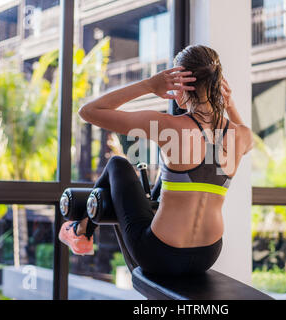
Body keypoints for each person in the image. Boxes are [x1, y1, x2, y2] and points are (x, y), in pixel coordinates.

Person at [58, 45, 254, 275]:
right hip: (207, 255)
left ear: (179, 82)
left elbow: (89, 111)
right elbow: (245, 140)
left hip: (160, 253)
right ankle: (81, 231)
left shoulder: (167, 126)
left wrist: (149, 85)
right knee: (170, 176)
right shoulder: (241, 136)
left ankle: (81, 232)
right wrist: (228, 104)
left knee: (117, 164)